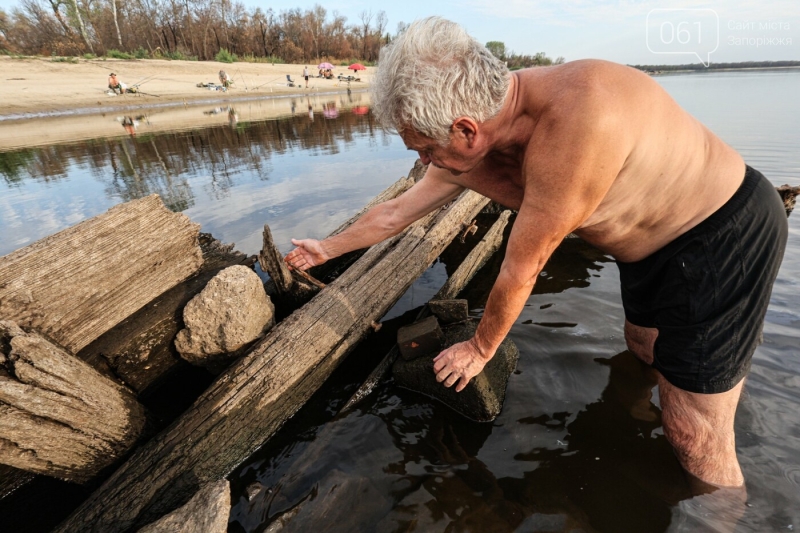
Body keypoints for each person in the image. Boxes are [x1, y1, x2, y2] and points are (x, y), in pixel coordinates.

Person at [285, 17, 789, 492]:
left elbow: (521, 267)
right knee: (642, 350)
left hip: (722, 234)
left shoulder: (579, 121)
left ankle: (721, 511)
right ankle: (634, 436)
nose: (421, 161)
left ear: (465, 129)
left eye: (424, 149)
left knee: (695, 435)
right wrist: (323, 249)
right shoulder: (483, 127)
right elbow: (396, 213)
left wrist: (480, 350)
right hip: (650, 249)